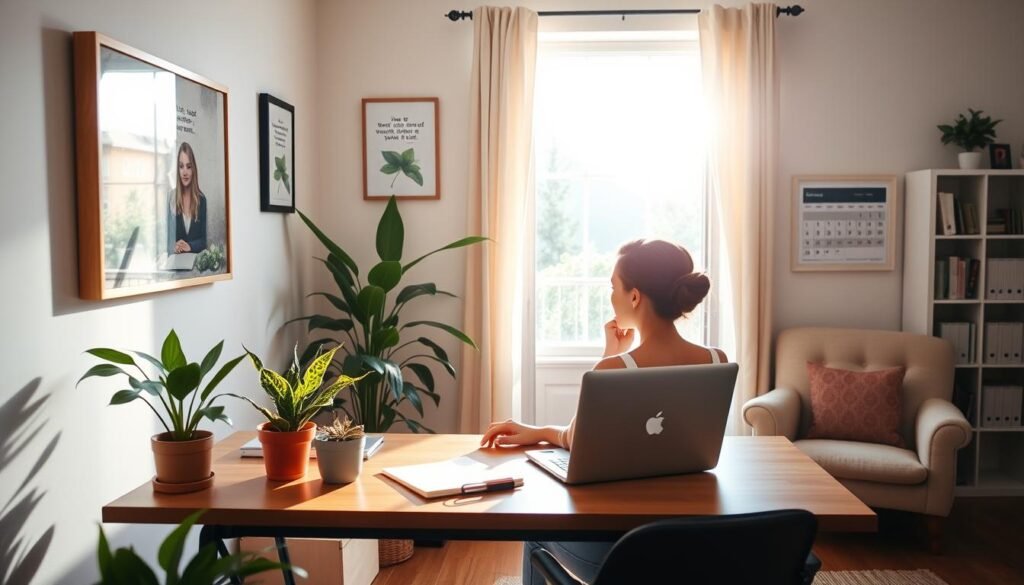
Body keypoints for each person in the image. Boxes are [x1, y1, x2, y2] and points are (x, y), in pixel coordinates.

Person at [479, 238, 727, 585]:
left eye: (614, 287)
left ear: (635, 296)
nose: (611, 297)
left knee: (534, 530)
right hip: (693, 545)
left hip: (621, 555)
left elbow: (579, 442)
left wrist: (611, 358)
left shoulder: (615, 369)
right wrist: (614, 354)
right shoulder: (715, 361)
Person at [168, 142, 207, 255]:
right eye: (181, 167)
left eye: (188, 167)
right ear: (177, 170)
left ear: (193, 169)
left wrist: (189, 246)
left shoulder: (202, 200)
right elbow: (165, 239)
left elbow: (203, 241)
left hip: (193, 265)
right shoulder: (171, 198)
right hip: (175, 263)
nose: (185, 172)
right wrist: (173, 246)